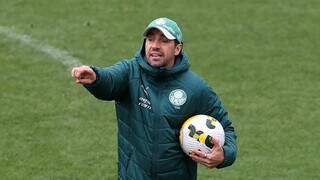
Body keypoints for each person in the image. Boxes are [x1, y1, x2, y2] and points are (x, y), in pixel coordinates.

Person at [71, 17, 237, 180]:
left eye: (164, 40)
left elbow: (226, 128)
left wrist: (223, 155)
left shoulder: (196, 88)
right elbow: (110, 81)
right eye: (150, 39)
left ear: (177, 48)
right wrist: (96, 77)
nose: (155, 46)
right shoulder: (130, 72)